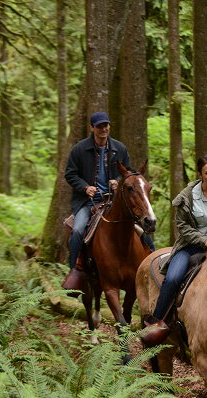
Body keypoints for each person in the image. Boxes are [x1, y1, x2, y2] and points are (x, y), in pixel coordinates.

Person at [140, 152, 207, 346]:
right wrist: (204, 241)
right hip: (189, 247)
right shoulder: (187, 197)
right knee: (174, 278)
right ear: (200, 174)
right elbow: (183, 228)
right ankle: (156, 324)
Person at [62, 111, 153, 288]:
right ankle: (76, 271)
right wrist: (85, 187)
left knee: (143, 226)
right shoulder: (79, 149)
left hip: (114, 201)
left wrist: (118, 182)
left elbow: (129, 174)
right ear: (92, 128)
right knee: (79, 230)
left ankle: (152, 263)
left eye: (106, 125)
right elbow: (70, 174)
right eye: (99, 126)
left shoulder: (119, 148)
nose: (104, 129)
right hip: (87, 202)